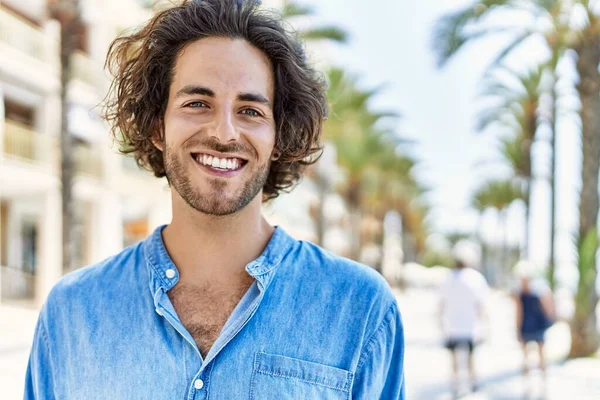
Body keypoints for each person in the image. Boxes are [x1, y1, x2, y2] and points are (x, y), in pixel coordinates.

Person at [23, 1, 405, 398]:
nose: (224, 133)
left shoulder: (359, 308)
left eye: (250, 110)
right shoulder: (71, 314)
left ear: (278, 138)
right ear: (158, 127)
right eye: (197, 104)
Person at [439, 243, 489, 397]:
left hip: (452, 326)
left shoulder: (448, 278)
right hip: (470, 326)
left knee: (454, 359)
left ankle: (455, 385)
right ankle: (473, 382)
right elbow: (481, 304)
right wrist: (485, 323)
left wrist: (441, 322)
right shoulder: (476, 278)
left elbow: (441, 303)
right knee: (471, 358)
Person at [513, 261, 555, 385]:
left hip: (536, 326)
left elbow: (546, 307)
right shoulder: (531, 292)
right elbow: (518, 312)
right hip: (528, 326)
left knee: (540, 354)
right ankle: (528, 382)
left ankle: (542, 381)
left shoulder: (534, 292)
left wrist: (549, 321)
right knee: (527, 355)